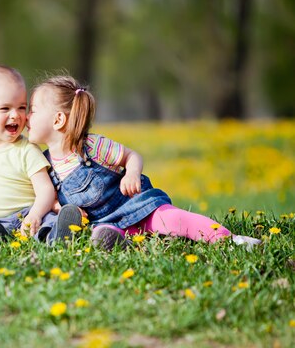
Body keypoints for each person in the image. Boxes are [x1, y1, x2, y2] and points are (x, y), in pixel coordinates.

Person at [26, 74, 262, 250]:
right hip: (104, 221)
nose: (27, 117)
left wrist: (131, 174)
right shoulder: (44, 163)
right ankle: (121, 242)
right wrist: (61, 208)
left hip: (138, 208)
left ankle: (229, 239)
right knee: (100, 234)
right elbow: (52, 197)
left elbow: (132, 156)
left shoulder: (92, 146)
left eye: (33, 111)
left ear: (58, 120)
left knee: (174, 218)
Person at [0, 65, 84, 243]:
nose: (16, 115)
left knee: (47, 220)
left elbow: (45, 190)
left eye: (21, 107)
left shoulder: (27, 150)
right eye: (5, 109)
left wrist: (35, 215)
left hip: (25, 215)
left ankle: (56, 235)